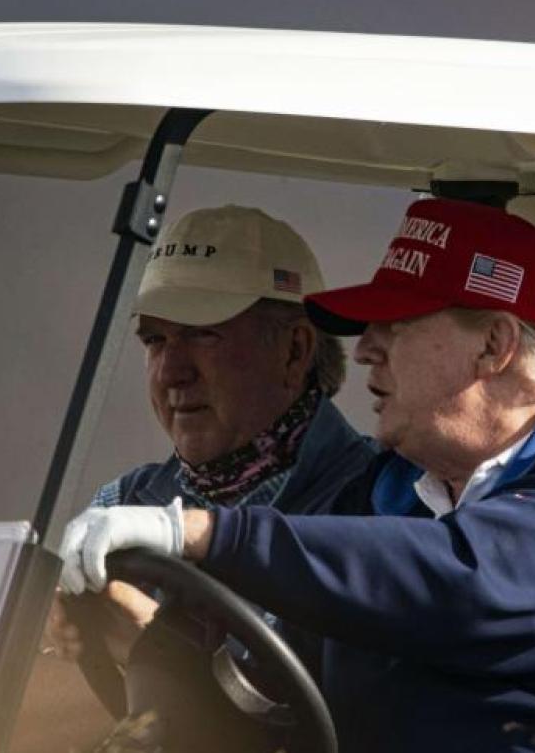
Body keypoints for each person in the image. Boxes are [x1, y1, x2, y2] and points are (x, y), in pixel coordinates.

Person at [59, 197, 535, 753]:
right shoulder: (387, 501)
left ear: (493, 344)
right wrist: (145, 656)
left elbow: (471, 584)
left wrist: (204, 534)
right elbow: (256, 694)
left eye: (395, 323)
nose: (366, 350)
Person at [47, 204, 375, 670]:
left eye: (202, 334)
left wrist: (161, 651)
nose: (171, 372)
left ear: (294, 350)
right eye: (154, 340)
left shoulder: (382, 504)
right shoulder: (121, 503)